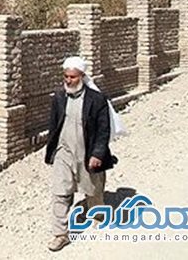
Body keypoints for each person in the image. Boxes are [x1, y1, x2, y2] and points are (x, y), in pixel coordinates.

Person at [45, 56, 116, 252]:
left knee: (92, 189)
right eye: (66, 76)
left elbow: (104, 130)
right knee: (60, 192)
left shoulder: (97, 99)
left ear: (82, 76)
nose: (68, 80)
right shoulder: (59, 97)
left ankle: (98, 215)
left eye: (72, 77)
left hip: (87, 152)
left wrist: (98, 154)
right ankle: (60, 234)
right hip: (64, 152)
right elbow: (54, 126)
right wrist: (52, 151)